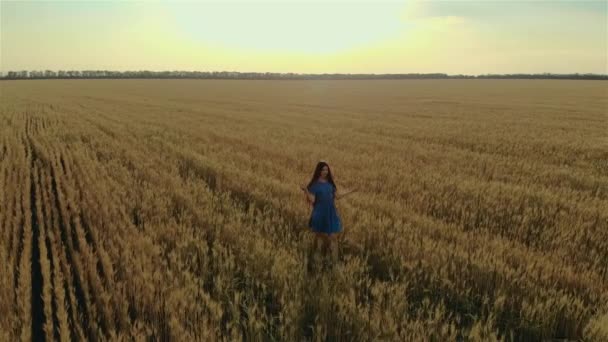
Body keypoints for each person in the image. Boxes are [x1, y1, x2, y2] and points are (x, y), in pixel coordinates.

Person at [301, 161, 357, 264]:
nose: (325, 172)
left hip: (330, 213)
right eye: (323, 170)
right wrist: (306, 191)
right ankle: (317, 263)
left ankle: (334, 263)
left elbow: (338, 196)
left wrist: (351, 191)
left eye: (326, 170)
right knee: (320, 240)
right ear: (319, 171)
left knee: (333, 238)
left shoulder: (330, 183)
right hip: (319, 213)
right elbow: (313, 200)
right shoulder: (315, 185)